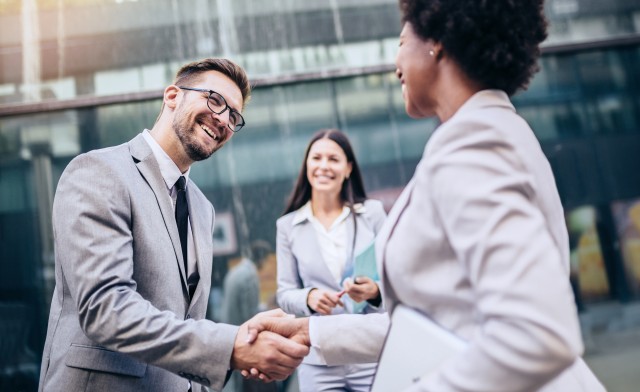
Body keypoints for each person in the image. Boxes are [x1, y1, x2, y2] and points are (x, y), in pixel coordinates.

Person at [246, 0, 606, 390]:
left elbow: (538, 334)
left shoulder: (475, 143)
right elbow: (442, 324)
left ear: (436, 42)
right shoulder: (488, 131)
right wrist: (310, 331)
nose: (395, 62)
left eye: (401, 41)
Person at [38, 58, 309, 392]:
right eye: (215, 100)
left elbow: (185, 322)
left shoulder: (202, 208)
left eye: (234, 116)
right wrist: (229, 346)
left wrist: (239, 346)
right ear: (172, 96)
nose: (223, 119)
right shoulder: (99, 171)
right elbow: (105, 308)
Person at [275, 129, 387, 391]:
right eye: (317, 158)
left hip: (369, 352)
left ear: (348, 168)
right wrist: (309, 297)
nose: (324, 166)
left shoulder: (372, 214)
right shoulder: (288, 226)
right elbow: (284, 293)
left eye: (333, 159)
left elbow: (396, 276)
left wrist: (375, 292)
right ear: (307, 165)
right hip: (318, 358)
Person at [220, 240, 270, 392]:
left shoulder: (236, 271)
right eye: (266, 259)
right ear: (260, 258)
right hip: (240, 336)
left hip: (228, 332)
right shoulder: (250, 275)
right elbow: (250, 316)